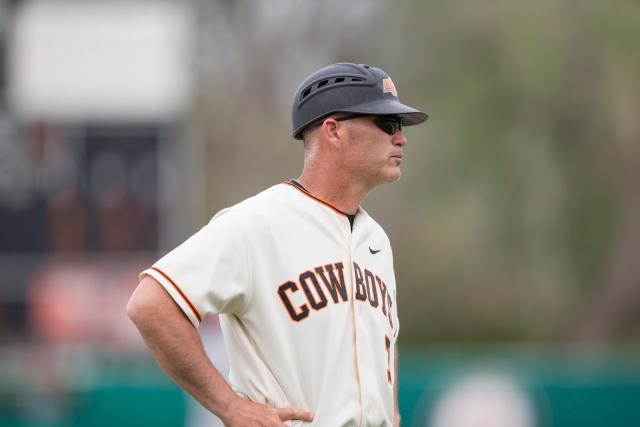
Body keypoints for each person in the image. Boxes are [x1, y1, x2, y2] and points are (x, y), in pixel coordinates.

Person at [127, 62, 428, 426]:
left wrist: (392, 414)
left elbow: (383, 342)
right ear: (333, 131)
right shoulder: (257, 223)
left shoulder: (377, 239)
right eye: (387, 124)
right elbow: (150, 304)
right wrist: (229, 406)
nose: (401, 137)